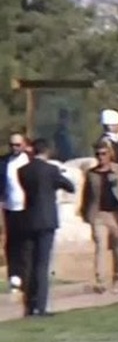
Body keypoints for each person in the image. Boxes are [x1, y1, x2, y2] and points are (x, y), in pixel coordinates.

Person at [17, 139, 74, 316]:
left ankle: (28, 304)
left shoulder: (23, 171)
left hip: (29, 219)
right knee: (42, 264)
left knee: (30, 263)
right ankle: (41, 306)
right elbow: (70, 187)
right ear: (47, 151)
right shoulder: (51, 170)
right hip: (47, 220)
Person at [81, 140, 118, 294]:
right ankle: (100, 281)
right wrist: (85, 214)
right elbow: (86, 195)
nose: (101, 157)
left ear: (110, 154)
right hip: (99, 215)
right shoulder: (91, 174)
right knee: (100, 246)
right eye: (98, 154)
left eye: (104, 154)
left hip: (117, 215)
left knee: (117, 247)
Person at [1, 133, 30, 291]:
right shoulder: (4, 162)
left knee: (26, 243)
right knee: (11, 243)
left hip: (27, 208)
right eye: (12, 145)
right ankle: (14, 276)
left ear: (24, 145)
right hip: (10, 208)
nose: (15, 148)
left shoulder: (29, 161)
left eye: (18, 145)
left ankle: (25, 276)